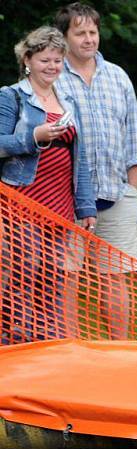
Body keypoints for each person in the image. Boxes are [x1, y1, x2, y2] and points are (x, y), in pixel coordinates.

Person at [55, 2, 137, 340]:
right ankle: (70, 348)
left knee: (115, 275)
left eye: (93, 31)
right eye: (80, 32)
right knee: (67, 274)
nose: (89, 39)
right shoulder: (51, 75)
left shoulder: (118, 76)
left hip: (117, 192)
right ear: (64, 38)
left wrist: (131, 188)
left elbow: (133, 136)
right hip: (66, 196)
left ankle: (119, 349)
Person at [0, 26, 96, 344]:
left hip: (61, 206)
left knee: (53, 277)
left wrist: (86, 206)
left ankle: (48, 343)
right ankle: (16, 341)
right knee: (22, 274)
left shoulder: (67, 100)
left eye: (57, 60)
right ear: (28, 60)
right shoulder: (10, 95)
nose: (52, 67)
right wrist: (34, 137)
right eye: (44, 60)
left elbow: (79, 159)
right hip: (21, 202)